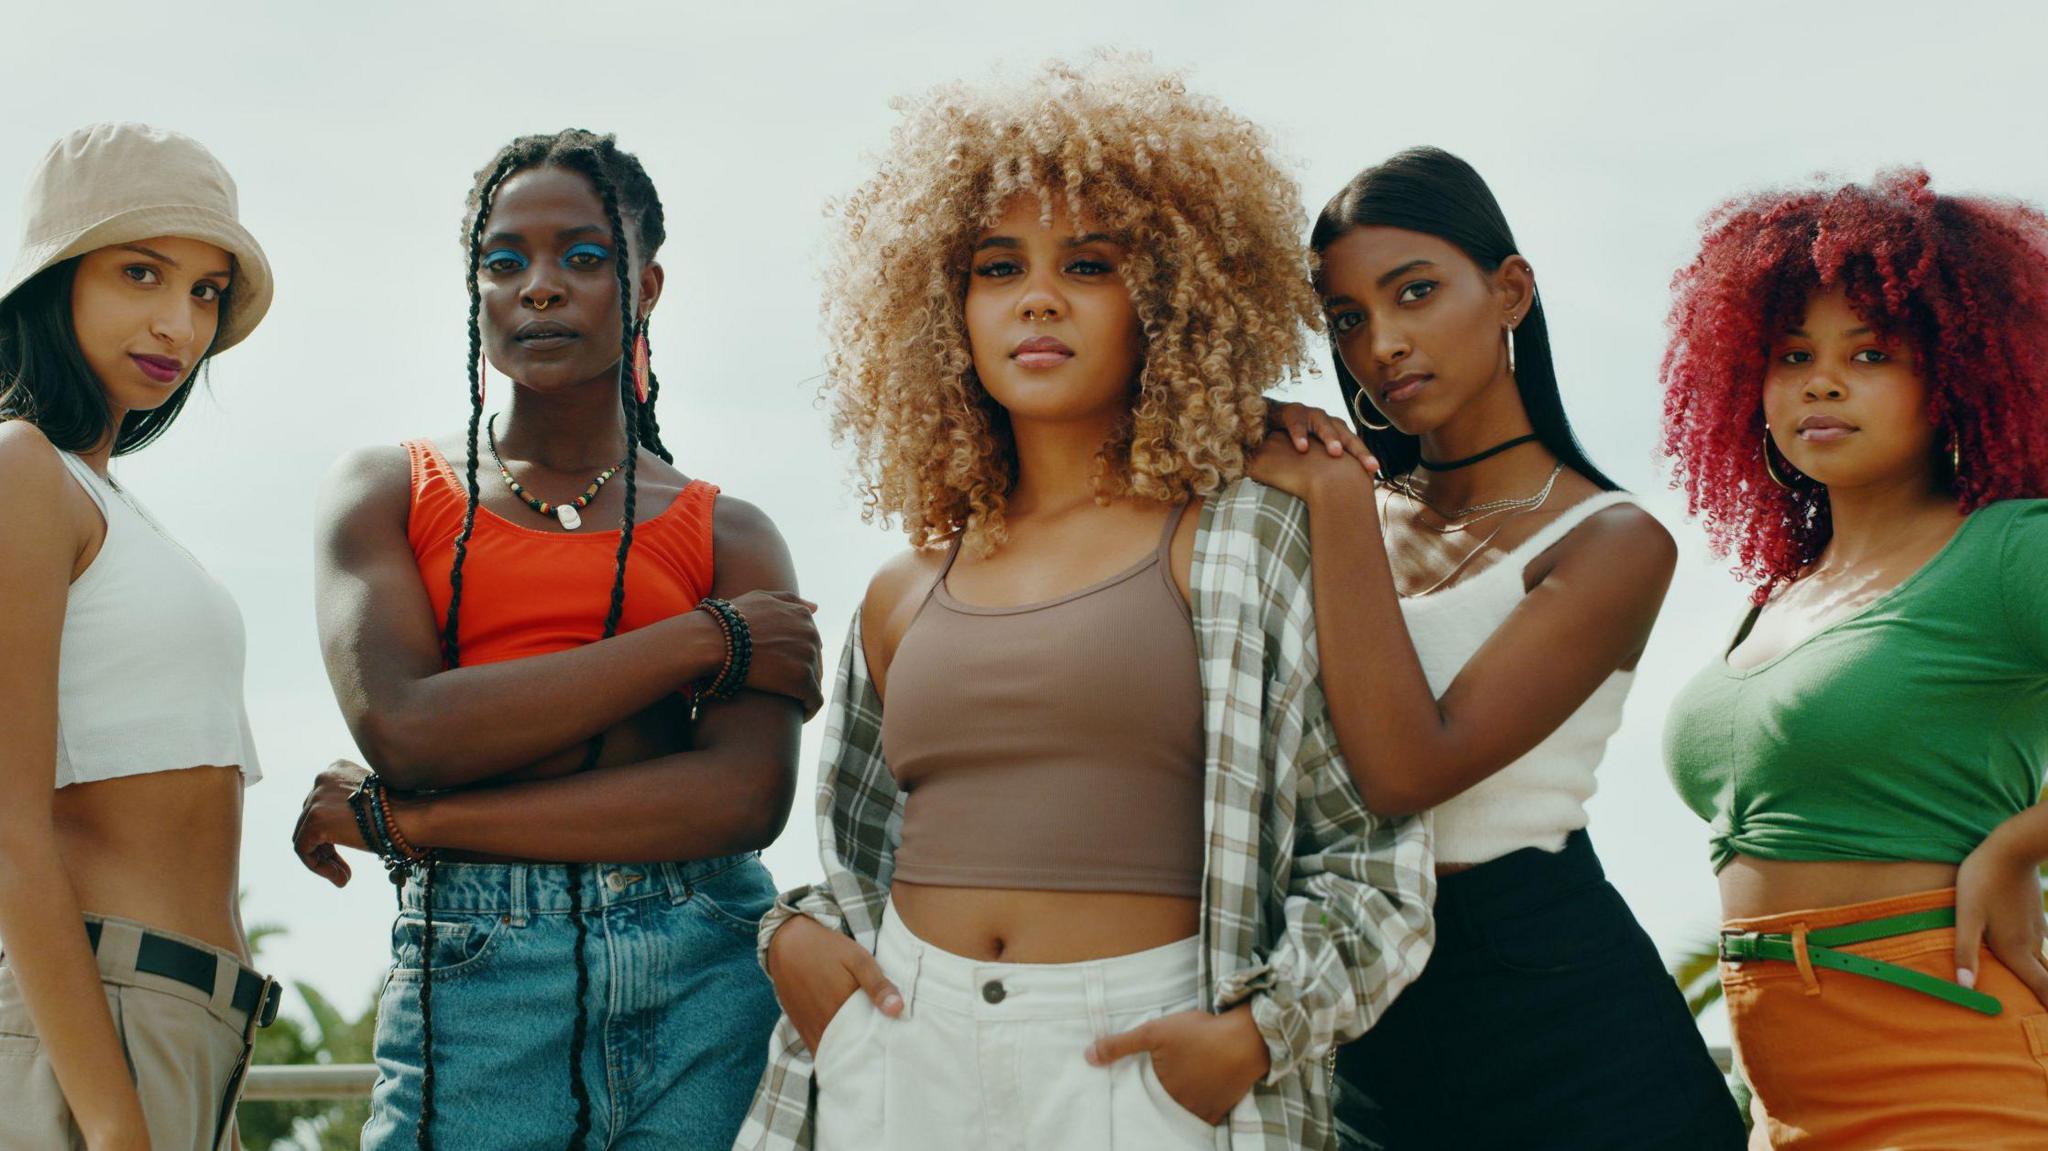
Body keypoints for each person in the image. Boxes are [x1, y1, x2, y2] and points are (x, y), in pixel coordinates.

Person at [737, 57, 1434, 1151]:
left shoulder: (1246, 541)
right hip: (896, 1053)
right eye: (996, 265)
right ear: (943, 307)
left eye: (1090, 263)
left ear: (1168, 295)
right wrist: (795, 940)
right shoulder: (902, 590)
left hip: (1147, 1064)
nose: (1038, 296)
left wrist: (1252, 1036)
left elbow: (1371, 858)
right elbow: (857, 857)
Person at [288, 129, 823, 1151]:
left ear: (646, 285)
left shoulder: (732, 531)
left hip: (705, 966)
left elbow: (740, 799)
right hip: (477, 975)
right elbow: (408, 729)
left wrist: (419, 823)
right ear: (473, 291)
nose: (539, 286)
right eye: (503, 262)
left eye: (582, 256)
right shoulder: (387, 490)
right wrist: (696, 641)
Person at [1253, 146, 1744, 1150]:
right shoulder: (1312, 516)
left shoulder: (1611, 541)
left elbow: (1404, 768)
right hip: (1358, 1019)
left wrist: (1341, 498)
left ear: (1508, 289)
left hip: (1564, 1017)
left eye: (1415, 292)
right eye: (1346, 319)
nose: (1381, 342)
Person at [1660, 169, 2048, 1147]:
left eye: (1868, 352)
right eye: (1792, 354)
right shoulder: (1772, 601)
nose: (1819, 381)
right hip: (1780, 1105)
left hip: (1951, 1073)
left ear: (1952, 372)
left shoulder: (2006, 551)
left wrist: (2016, 844)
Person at [0, 122, 278, 1151]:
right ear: (56, 280)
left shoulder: (112, 500)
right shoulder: (20, 468)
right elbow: (7, 829)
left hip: (189, 1028)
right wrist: (118, 1124)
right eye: (141, 273)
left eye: (206, 290)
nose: (179, 321)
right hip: (96, 1034)